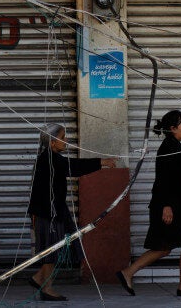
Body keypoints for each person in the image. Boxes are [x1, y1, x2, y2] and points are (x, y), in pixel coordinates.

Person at [116, 109, 181, 297]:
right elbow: (162, 180)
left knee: (163, 248)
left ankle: (127, 273)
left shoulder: (174, 146)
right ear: (173, 128)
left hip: (175, 205)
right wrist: (166, 206)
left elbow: (173, 177)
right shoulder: (169, 148)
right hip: (170, 207)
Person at [27, 123, 116, 301]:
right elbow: (74, 166)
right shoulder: (50, 159)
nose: (66, 141)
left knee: (56, 247)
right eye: (62, 137)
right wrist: (102, 162)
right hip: (49, 214)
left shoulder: (49, 158)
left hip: (54, 211)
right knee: (51, 250)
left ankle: (39, 279)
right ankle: (47, 287)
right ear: (52, 143)